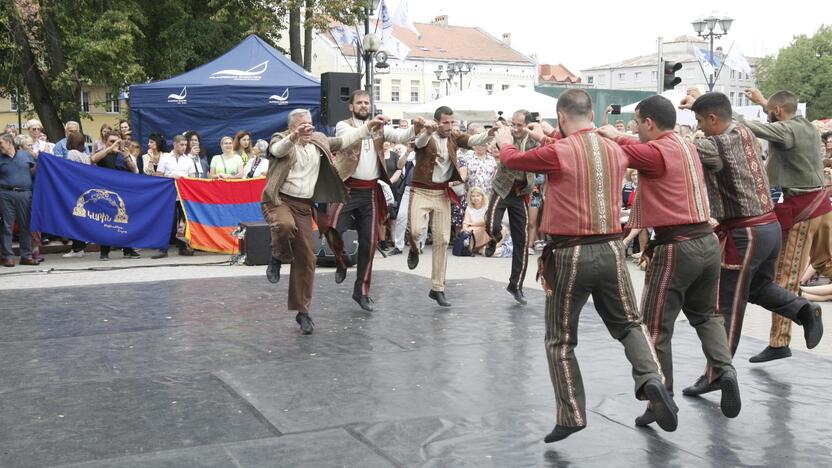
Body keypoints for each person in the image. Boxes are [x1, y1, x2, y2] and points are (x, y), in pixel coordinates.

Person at [495, 89, 677, 442]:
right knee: (629, 324)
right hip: (611, 249)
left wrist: (505, 141)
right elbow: (590, 151)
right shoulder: (615, 149)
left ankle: (572, 414)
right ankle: (652, 379)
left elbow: (515, 161)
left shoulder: (558, 151)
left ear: (562, 117)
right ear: (590, 114)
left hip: (570, 253)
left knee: (560, 340)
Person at [597, 95, 739, 427]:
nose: (634, 128)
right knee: (707, 315)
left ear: (649, 122)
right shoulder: (687, 143)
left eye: (637, 122)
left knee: (656, 328)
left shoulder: (656, 151)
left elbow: (621, 151)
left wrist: (605, 132)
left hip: (677, 247)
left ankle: (661, 399)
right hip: (707, 239)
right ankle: (725, 369)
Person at [675, 92, 822, 396]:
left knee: (726, 304)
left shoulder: (716, 143)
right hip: (768, 227)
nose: (700, 127)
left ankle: (718, 373)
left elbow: (682, 150)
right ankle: (803, 309)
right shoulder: (742, 130)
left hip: (746, 233)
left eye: (701, 121)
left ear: (713, 119)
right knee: (757, 288)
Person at [263, 108, 385, 334]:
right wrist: (294, 136)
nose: (308, 128)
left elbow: (344, 139)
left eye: (310, 123)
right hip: (279, 200)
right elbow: (277, 150)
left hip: (303, 205)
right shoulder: (281, 138)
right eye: (303, 125)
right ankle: (277, 256)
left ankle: (303, 312)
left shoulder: (319, 140)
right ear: (292, 127)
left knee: (307, 259)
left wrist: (368, 127)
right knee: (284, 226)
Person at [737, 88, 831, 363]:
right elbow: (782, 113)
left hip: (802, 210)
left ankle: (779, 343)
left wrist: (719, 113)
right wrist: (763, 101)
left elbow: (751, 127)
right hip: (823, 207)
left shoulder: (786, 131)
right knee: (827, 264)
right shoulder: (808, 126)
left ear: (777, 113)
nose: (767, 115)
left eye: (769, 112)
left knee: (785, 279)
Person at [327, 90, 419, 311]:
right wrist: (370, 127)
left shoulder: (379, 128)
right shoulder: (344, 125)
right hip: (346, 189)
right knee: (333, 230)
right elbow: (352, 137)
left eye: (366, 103)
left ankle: (362, 292)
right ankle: (340, 261)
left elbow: (401, 136)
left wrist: (418, 127)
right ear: (351, 107)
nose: (363, 106)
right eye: (359, 103)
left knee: (369, 244)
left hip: (369, 191)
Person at [407, 106, 493, 307]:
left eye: (451, 122)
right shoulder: (426, 134)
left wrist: (490, 134)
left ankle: (437, 288)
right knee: (416, 231)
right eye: (445, 122)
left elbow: (473, 141)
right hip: (421, 190)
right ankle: (413, 247)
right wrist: (427, 131)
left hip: (442, 193)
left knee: (443, 240)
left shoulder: (454, 136)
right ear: (437, 122)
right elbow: (418, 143)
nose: (449, 125)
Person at [484, 109, 538, 305]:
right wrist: (496, 129)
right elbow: (492, 138)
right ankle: (495, 237)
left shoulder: (534, 140)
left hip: (521, 192)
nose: (515, 128)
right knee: (491, 225)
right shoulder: (506, 134)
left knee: (522, 242)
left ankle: (516, 285)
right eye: (513, 124)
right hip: (502, 188)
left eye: (519, 125)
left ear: (528, 126)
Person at [90, 130, 141, 260]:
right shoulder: (103, 153)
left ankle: (128, 250)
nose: (115, 144)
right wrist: (110, 149)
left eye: (117, 141)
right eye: (111, 141)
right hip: (105, 192)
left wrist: (125, 156)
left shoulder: (123, 154)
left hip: (122, 191)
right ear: (106, 142)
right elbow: (93, 159)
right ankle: (104, 252)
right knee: (105, 222)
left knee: (124, 220)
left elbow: (134, 170)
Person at [153, 135, 196, 258]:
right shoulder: (165, 158)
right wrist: (171, 177)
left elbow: (192, 179)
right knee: (166, 221)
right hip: (168, 195)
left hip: (183, 196)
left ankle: (182, 247)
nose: (184, 147)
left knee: (183, 221)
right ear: (174, 144)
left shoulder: (188, 160)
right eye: (181, 145)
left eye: (185, 145)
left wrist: (183, 179)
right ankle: (162, 248)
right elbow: (158, 176)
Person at [0, 132, 37, 267]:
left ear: (9, 142)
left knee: (25, 226)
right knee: (6, 226)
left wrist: (42, 161)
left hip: (25, 194)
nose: (0, 146)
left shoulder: (25, 155)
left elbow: (34, 171)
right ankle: (8, 257)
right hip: (5, 194)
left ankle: (26, 256)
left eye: (1, 143)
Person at [63, 132, 93, 258]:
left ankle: (77, 248)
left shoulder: (72, 154)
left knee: (74, 218)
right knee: (80, 217)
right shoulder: (85, 155)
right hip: (84, 188)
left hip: (74, 189)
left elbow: (69, 170)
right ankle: (79, 247)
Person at [462, 186, 490, 253]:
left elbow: (485, 221)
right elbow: (465, 222)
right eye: (473, 196)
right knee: (465, 232)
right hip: (472, 229)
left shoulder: (486, 207)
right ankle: (474, 248)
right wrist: (465, 229)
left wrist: (471, 223)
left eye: (478, 196)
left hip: (483, 227)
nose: (475, 198)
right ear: (470, 198)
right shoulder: (469, 208)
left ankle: (482, 247)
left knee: (483, 230)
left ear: (482, 197)